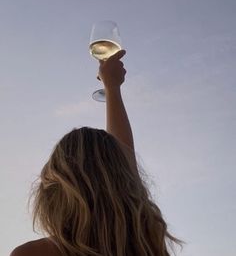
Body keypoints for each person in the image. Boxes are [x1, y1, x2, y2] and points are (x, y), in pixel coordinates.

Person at [10, 50, 183, 256]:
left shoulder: (35, 254)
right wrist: (112, 88)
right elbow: (123, 164)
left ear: (55, 185)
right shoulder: (145, 240)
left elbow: (123, 162)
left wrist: (112, 87)